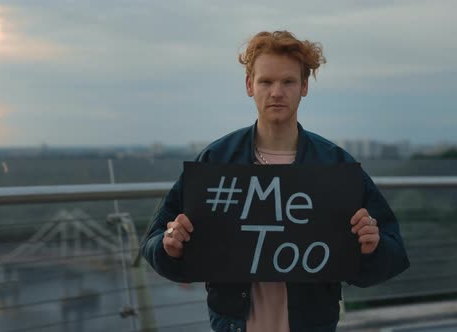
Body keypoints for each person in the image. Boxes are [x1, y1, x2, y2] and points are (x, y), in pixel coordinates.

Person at [141, 30, 409, 332]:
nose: (277, 92)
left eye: (288, 81)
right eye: (266, 81)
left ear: (304, 86)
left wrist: (371, 247)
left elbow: (393, 252)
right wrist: (170, 247)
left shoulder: (336, 165)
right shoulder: (216, 160)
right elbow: (154, 241)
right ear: (249, 86)